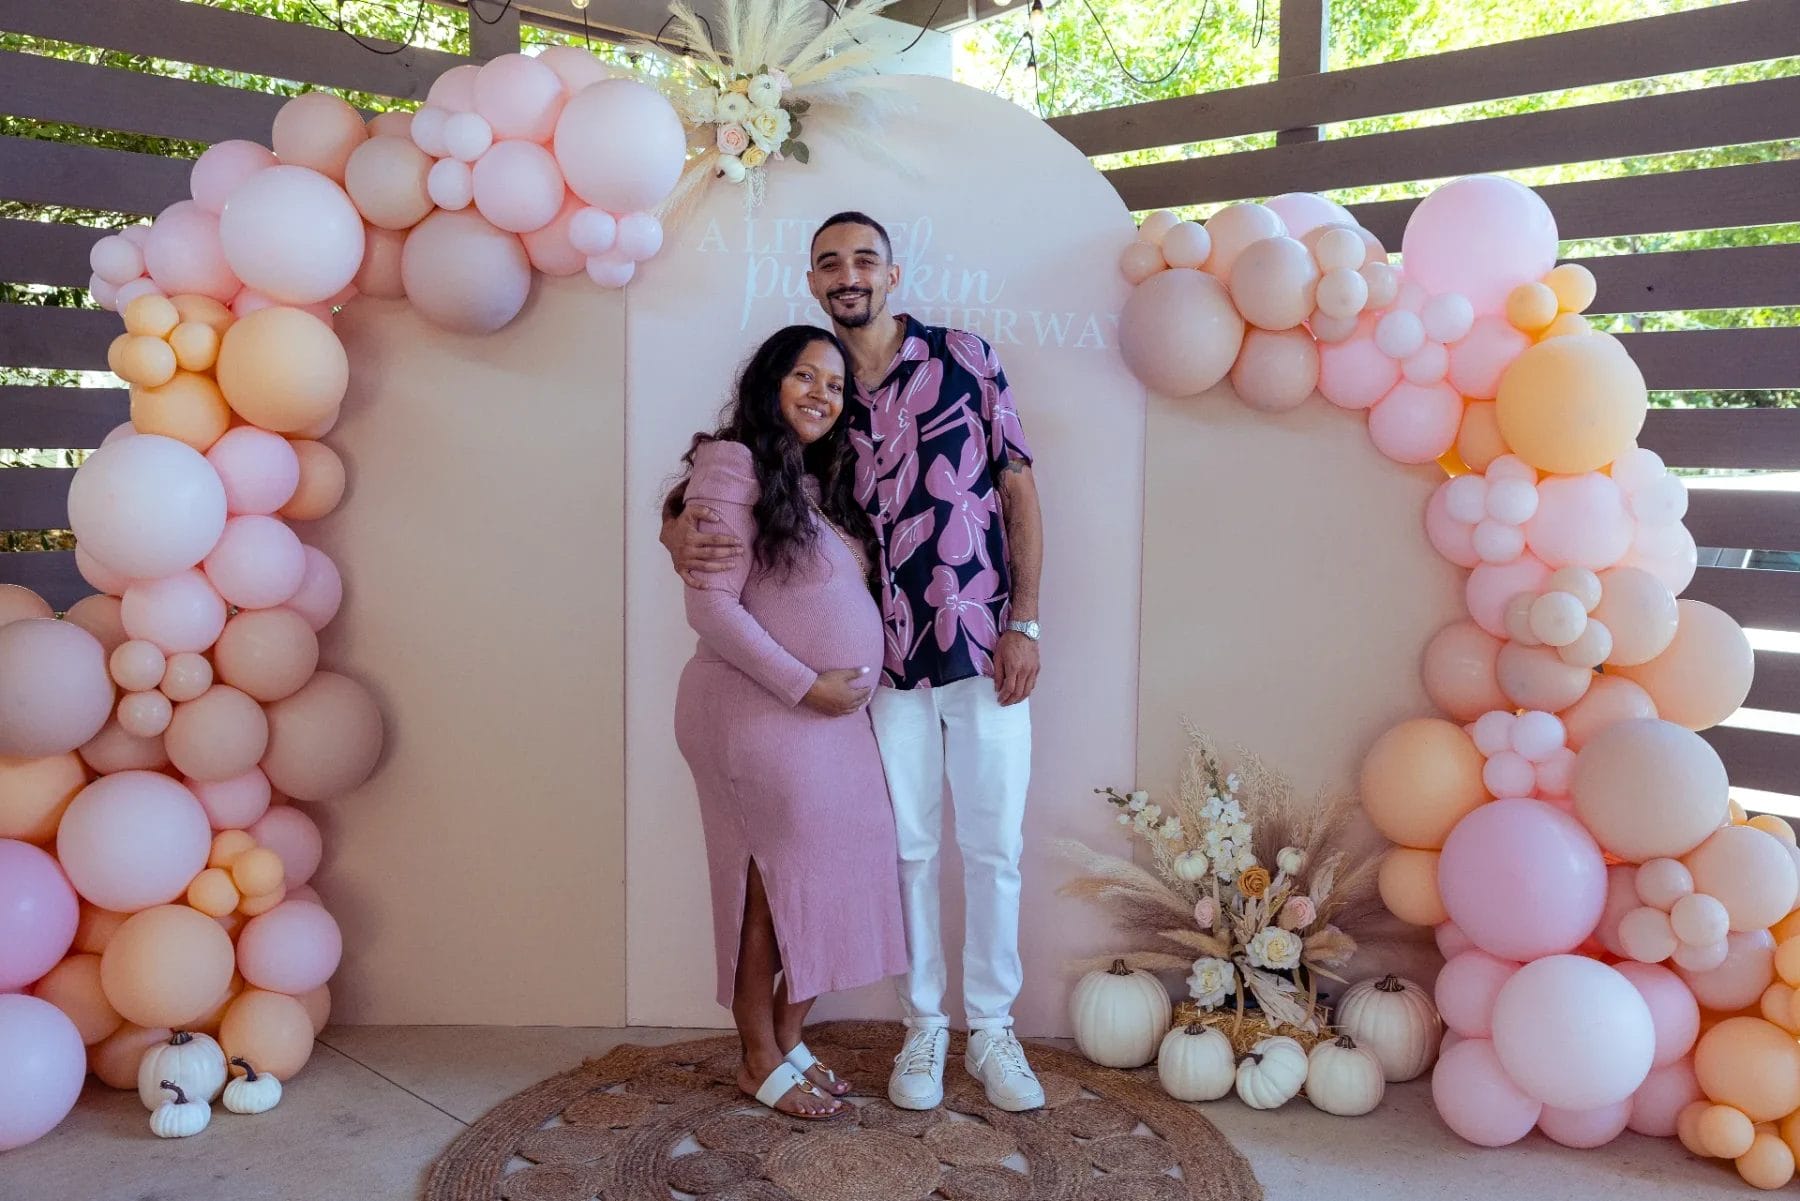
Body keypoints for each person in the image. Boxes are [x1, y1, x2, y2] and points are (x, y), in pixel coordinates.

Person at [664, 212, 1048, 1113]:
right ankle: (923, 1028)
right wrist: (676, 524)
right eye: (829, 263)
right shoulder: (824, 409)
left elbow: (1019, 482)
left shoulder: (963, 357)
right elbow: (724, 500)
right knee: (906, 848)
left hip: (984, 645)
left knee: (993, 846)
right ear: (811, 282)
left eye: (864, 259)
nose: (849, 275)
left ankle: (991, 1031)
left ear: (893, 272)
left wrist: (1026, 619)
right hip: (882, 678)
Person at [668, 324, 908, 1121]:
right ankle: (756, 1055)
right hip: (756, 711)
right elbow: (711, 608)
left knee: (837, 874)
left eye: (835, 385)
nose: (821, 394)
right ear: (769, 381)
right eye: (804, 376)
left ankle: (788, 1034)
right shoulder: (732, 464)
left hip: (825, 724)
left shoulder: (807, 479)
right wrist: (808, 685)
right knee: (767, 888)